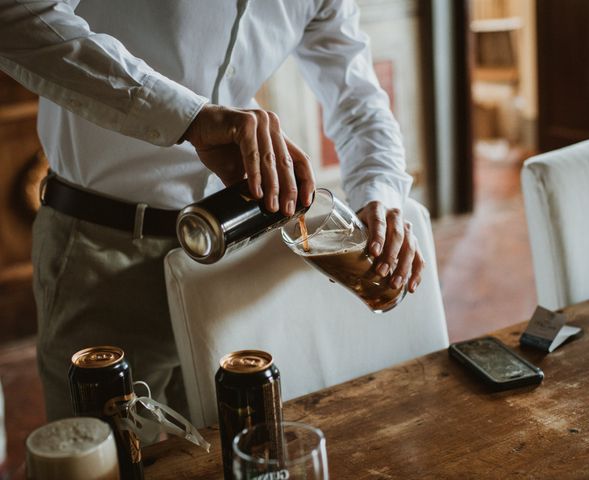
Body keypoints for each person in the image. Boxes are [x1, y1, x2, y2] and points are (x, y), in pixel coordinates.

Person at [0, 0, 425, 422]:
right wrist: (188, 118)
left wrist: (382, 194)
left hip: (232, 257)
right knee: (111, 461)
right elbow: (15, 17)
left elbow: (359, 102)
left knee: (230, 452)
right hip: (100, 256)